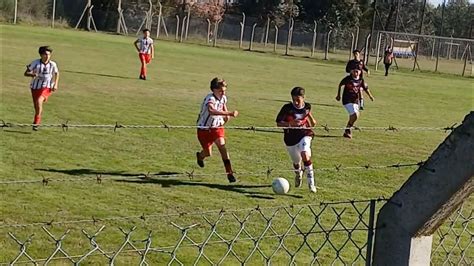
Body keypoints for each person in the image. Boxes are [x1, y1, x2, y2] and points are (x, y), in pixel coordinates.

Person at [196, 78, 239, 183]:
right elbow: (211, 111)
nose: (223, 92)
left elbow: (224, 108)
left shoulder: (223, 98)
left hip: (217, 128)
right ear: (214, 90)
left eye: (224, 90)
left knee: (223, 148)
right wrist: (228, 113)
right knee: (208, 153)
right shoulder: (210, 98)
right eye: (221, 90)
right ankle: (200, 156)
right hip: (204, 129)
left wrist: (226, 117)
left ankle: (230, 173)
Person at [275, 87, 317, 193]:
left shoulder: (307, 106)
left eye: (298, 99)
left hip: (305, 134)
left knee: (305, 154)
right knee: (296, 162)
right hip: (290, 139)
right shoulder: (287, 108)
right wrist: (290, 124)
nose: (296, 102)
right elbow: (278, 123)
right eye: (294, 99)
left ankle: (311, 183)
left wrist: (311, 120)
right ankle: (298, 173)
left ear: (303, 98)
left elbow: (307, 113)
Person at [24, 46, 59, 131]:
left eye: (49, 54)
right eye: (45, 54)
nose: (47, 56)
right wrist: (32, 74)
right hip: (35, 87)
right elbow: (26, 73)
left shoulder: (52, 64)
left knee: (39, 101)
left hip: (47, 87)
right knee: (37, 107)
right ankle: (36, 120)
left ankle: (36, 123)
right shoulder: (35, 63)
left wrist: (55, 84)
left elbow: (57, 73)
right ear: (41, 55)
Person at [336, 68, 374, 139]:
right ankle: (348, 129)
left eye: (357, 71)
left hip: (355, 100)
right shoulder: (348, 79)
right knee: (355, 115)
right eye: (354, 71)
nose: (356, 72)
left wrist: (370, 96)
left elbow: (365, 88)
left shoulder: (361, 80)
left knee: (355, 115)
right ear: (351, 72)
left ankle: (347, 130)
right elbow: (340, 84)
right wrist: (338, 95)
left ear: (360, 72)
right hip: (347, 100)